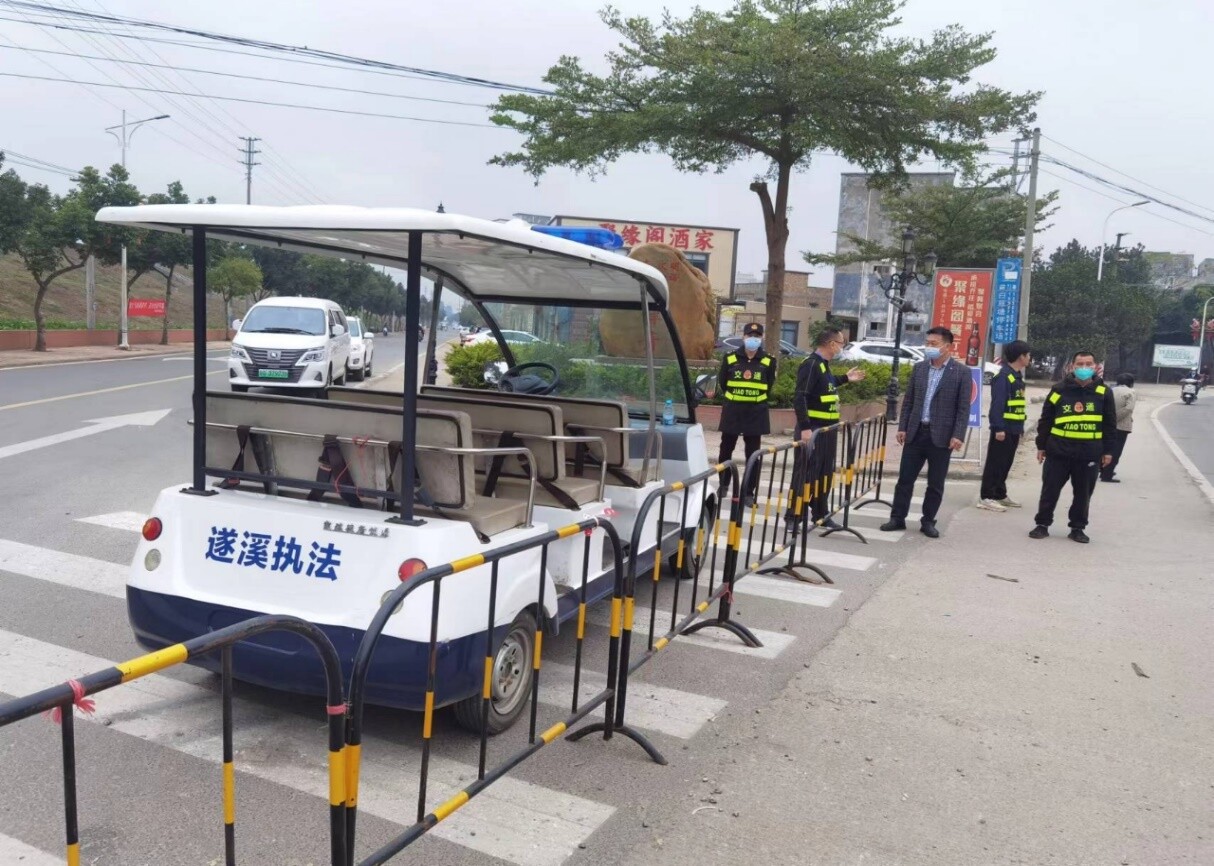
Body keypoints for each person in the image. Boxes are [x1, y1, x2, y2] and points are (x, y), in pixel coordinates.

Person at [880, 327, 971, 538]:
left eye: (933, 344)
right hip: (916, 432)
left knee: (935, 483)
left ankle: (928, 521)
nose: (928, 347)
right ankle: (897, 518)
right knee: (905, 480)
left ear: (947, 347)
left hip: (942, 436)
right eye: (927, 343)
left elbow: (963, 407)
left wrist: (958, 434)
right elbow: (909, 401)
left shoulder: (961, 372)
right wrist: (903, 427)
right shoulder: (919, 368)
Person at [1028, 350, 1117, 544]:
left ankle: (1077, 528)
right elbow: (1046, 419)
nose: (1084, 368)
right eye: (1080, 364)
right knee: (1050, 491)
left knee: (1083, 494)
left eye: (1088, 364)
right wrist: (1041, 446)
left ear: (1095, 367)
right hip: (1058, 451)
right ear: (1072, 367)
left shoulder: (1104, 393)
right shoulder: (1059, 390)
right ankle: (1042, 524)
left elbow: (1110, 424)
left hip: (1089, 453)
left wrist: (1109, 451)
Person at [791, 326, 866, 530]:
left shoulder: (824, 365)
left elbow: (825, 387)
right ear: (832, 344)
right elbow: (800, 397)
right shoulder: (811, 364)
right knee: (805, 473)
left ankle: (820, 513)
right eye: (842, 343)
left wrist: (845, 379)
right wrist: (805, 428)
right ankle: (794, 516)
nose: (842, 347)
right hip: (813, 430)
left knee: (825, 473)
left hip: (827, 430)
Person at [717, 322, 776, 505]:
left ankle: (748, 492)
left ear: (762, 338)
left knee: (753, 455)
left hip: (755, 413)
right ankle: (723, 484)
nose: (753, 339)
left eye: (757, 336)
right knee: (725, 450)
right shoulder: (730, 358)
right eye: (750, 335)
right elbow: (723, 383)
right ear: (743, 337)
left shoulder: (769, 361)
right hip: (733, 411)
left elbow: (769, 386)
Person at [977, 340, 1032, 511]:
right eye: (1028, 355)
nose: (1029, 358)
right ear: (1021, 356)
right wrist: (998, 427)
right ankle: (987, 496)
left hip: (1014, 428)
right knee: (995, 463)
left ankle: (999, 494)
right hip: (1003, 428)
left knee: (1005, 463)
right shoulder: (1003, 376)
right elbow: (998, 404)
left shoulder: (1016, 376)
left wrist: (1020, 428)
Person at [1100, 372, 1136, 482]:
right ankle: (1107, 474)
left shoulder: (1110, 390)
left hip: (1105, 425)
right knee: (1116, 451)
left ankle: (1102, 469)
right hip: (1121, 426)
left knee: (1105, 448)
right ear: (1131, 383)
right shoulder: (1131, 392)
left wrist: (1108, 420)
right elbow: (1129, 408)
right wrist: (1114, 418)